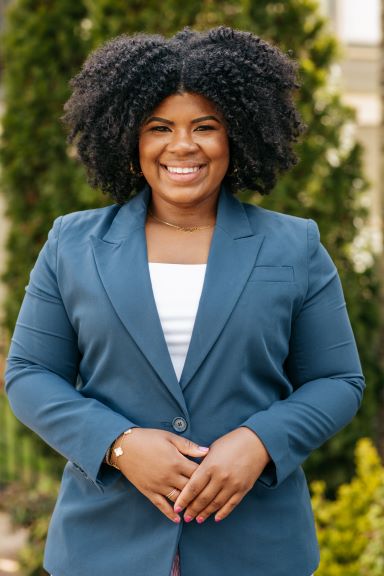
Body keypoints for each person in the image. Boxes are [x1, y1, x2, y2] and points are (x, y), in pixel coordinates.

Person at [4, 26, 365, 576]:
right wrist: (118, 444)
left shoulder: (296, 246)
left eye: (205, 126)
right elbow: (28, 373)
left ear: (235, 137)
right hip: (104, 546)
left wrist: (259, 442)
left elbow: (339, 380)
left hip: (255, 546)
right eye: (159, 127)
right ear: (131, 139)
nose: (182, 145)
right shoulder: (72, 243)